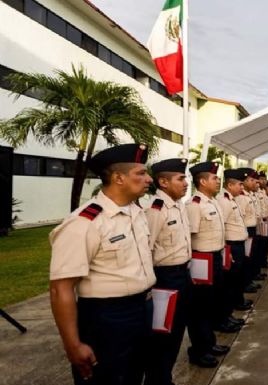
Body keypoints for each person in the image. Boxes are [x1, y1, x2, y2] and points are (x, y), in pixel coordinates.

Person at [49, 143, 156, 384]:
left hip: (141, 309)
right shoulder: (85, 222)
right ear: (118, 177)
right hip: (107, 319)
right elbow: (60, 288)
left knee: (133, 375)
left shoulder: (136, 214)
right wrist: (73, 345)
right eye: (141, 173)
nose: (149, 179)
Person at [144, 158, 193, 385]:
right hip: (164, 278)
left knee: (176, 332)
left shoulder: (178, 206)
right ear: (163, 182)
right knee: (162, 337)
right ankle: (159, 379)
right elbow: (146, 249)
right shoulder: (156, 210)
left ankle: (165, 377)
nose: (185, 183)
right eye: (180, 178)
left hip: (182, 274)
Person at [185, 161, 234, 369]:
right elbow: (190, 237)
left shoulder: (212, 202)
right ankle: (198, 350)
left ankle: (209, 343)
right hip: (201, 260)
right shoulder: (194, 205)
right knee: (200, 307)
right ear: (202, 181)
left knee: (211, 303)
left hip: (214, 257)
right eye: (214, 178)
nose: (217, 181)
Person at [218, 169, 252, 319]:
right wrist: (226, 251)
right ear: (230, 185)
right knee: (229, 283)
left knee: (236, 279)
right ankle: (226, 314)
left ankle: (230, 312)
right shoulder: (224, 201)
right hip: (231, 245)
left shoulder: (232, 200)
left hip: (238, 244)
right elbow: (222, 227)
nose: (242, 187)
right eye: (240, 184)